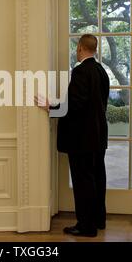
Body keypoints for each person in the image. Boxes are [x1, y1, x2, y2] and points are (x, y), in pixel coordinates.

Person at [36, 34, 110, 237]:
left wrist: (50, 107)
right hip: (98, 135)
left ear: (80, 48)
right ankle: (98, 219)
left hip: (82, 139)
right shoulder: (102, 71)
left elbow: (73, 106)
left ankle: (86, 226)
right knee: (97, 178)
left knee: (83, 181)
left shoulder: (80, 72)